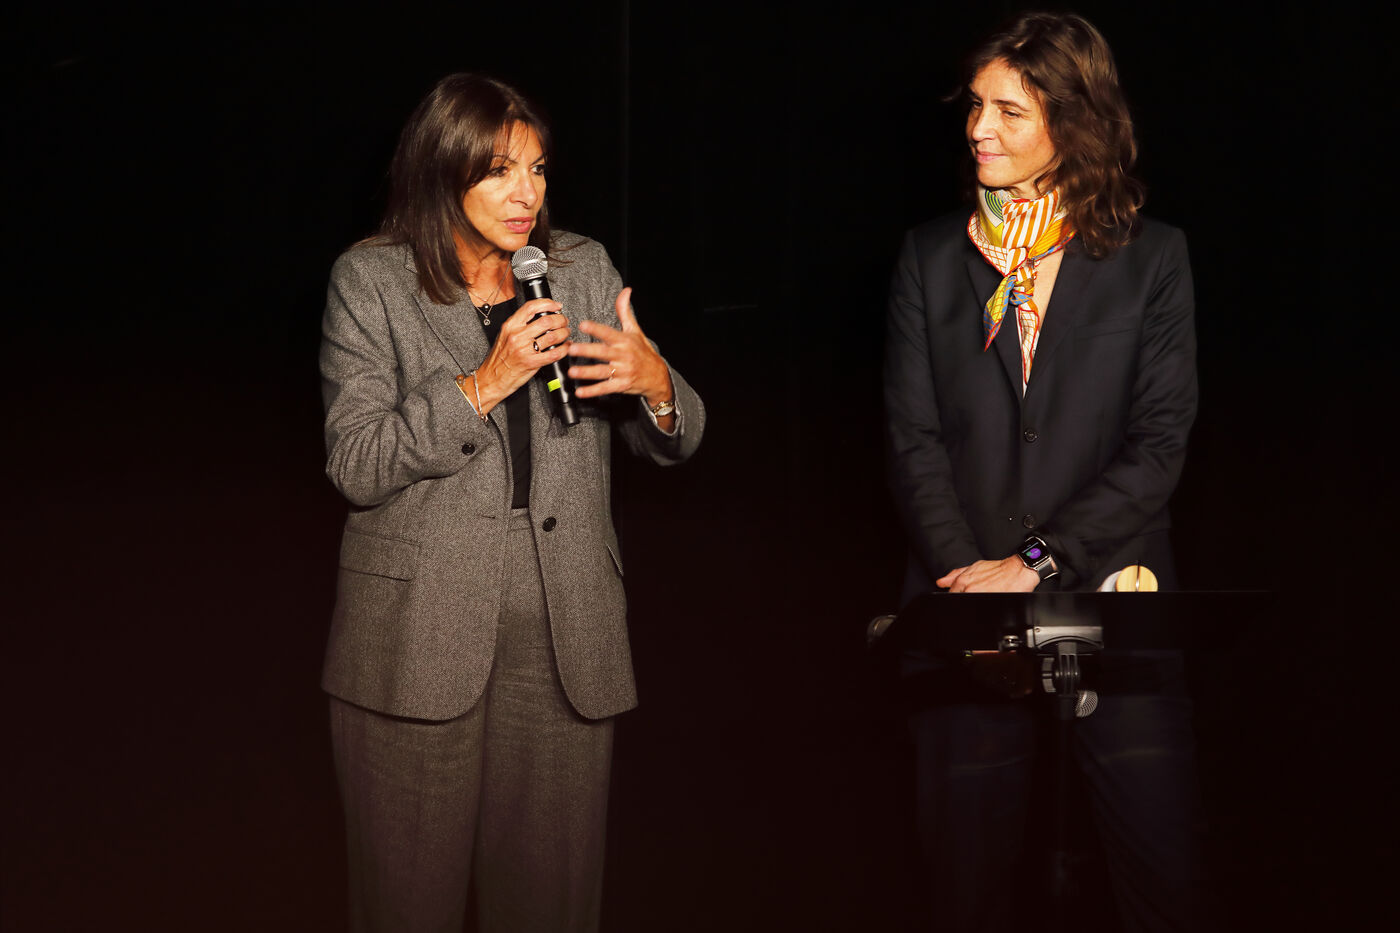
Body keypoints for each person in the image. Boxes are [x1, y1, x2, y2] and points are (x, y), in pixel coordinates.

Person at [319, 73, 703, 932]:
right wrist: (483, 384)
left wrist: (656, 386)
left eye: (536, 169)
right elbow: (356, 462)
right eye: (499, 171)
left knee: (551, 906)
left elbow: (677, 437)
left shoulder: (578, 267)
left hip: (564, 628)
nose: (526, 193)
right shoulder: (370, 280)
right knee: (406, 906)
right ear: (441, 171)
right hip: (416, 634)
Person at [884, 13, 1204, 931]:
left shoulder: (1153, 258)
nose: (978, 129)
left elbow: (1159, 444)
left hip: (1117, 609)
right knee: (963, 894)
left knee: (1167, 889)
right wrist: (971, 588)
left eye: (1008, 111)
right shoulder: (929, 257)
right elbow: (913, 441)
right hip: (965, 619)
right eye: (974, 106)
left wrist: (1034, 563)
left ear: (1073, 121)